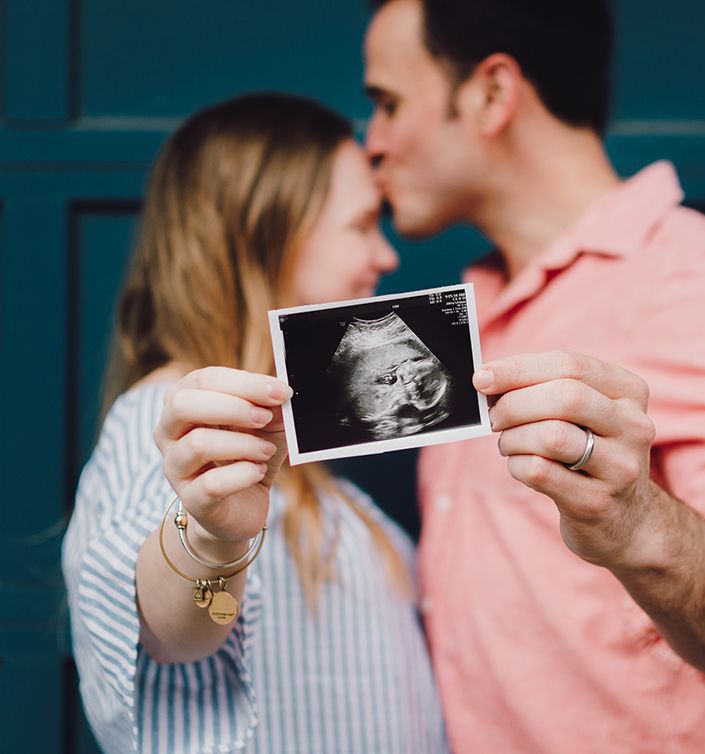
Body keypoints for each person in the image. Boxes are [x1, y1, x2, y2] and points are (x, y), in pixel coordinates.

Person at [362, 1, 705, 752]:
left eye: (388, 103)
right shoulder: (468, 313)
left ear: (492, 94)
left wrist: (635, 523)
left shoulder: (690, 279)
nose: (370, 143)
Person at [62, 93, 448, 754]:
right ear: (264, 236)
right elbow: (174, 630)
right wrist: (212, 540)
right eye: (360, 226)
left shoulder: (299, 464)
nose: (385, 257)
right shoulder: (170, 425)